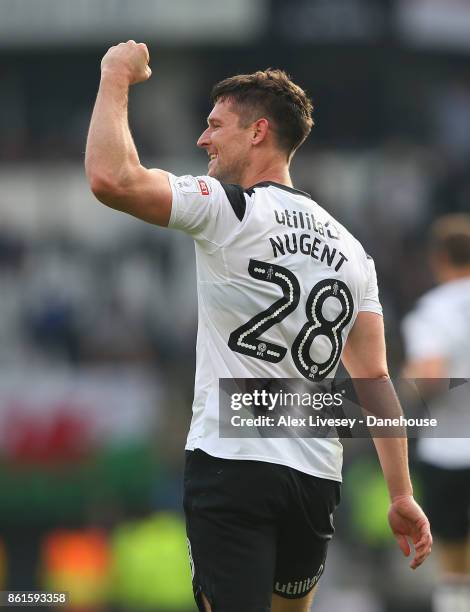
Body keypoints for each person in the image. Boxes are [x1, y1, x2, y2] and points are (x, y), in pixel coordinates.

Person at [85, 40, 432, 612]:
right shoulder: (353, 251)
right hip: (316, 477)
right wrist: (401, 494)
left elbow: (110, 178)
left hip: (233, 464)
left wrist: (114, 77)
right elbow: (373, 380)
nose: (203, 140)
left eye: (214, 124)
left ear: (258, 132)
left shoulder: (229, 208)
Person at [402, 214, 470, 612]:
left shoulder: (434, 311)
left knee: (454, 566)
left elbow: (430, 377)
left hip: (449, 452)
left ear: (439, 258)